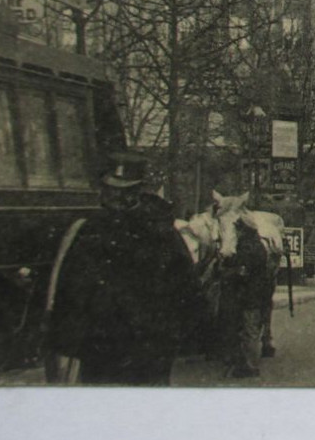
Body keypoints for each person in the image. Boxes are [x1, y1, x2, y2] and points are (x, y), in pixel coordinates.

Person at [44, 151, 202, 385]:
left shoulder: (161, 232)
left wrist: (175, 336)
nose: (115, 195)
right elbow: (72, 286)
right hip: (100, 347)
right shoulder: (90, 230)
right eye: (111, 189)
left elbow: (185, 286)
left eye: (124, 190)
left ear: (137, 191)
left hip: (148, 348)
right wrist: (66, 339)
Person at [218, 216, 271, 378]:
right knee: (250, 329)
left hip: (250, 295)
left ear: (243, 230)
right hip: (255, 294)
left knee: (250, 330)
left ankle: (251, 366)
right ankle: (247, 363)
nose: (237, 232)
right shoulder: (256, 245)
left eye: (238, 229)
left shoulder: (249, 247)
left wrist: (228, 268)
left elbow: (243, 269)